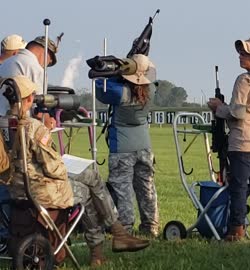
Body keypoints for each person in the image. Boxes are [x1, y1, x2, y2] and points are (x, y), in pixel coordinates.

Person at [4, 75, 150, 267]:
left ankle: (109, 242)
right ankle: (108, 241)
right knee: (89, 185)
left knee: (89, 184)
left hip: (16, 188)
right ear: (29, 99)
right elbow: (52, 167)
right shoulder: (34, 127)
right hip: (41, 191)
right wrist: (58, 152)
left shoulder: (6, 122)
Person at [207, 37, 250, 241]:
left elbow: (237, 112)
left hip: (242, 140)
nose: (240, 56)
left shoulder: (244, 80)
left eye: (244, 53)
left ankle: (236, 229)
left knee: (239, 187)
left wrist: (219, 108)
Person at [95, 54, 159, 237]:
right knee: (147, 187)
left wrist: (116, 71)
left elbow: (100, 84)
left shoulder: (119, 92)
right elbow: (152, 72)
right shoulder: (152, 90)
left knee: (122, 190)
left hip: (122, 147)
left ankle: (125, 228)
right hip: (145, 145)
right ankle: (151, 226)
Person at [0, 36, 57, 129]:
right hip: (18, 126)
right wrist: (48, 123)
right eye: (49, 62)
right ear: (45, 53)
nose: (47, 64)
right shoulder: (35, 68)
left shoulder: (7, 63)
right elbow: (39, 109)